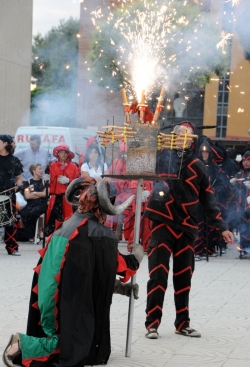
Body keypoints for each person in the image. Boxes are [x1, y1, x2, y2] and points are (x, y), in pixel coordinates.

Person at [2, 177, 144, 367]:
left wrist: (120, 288)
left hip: (50, 298)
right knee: (67, 349)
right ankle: (22, 343)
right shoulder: (99, 234)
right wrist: (137, 254)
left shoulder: (66, 226)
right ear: (103, 207)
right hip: (61, 303)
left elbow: (87, 275)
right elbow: (122, 265)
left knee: (72, 342)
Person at [143, 121, 234, 339]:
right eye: (179, 134)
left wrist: (221, 226)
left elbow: (208, 199)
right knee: (158, 275)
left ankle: (182, 323)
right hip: (162, 224)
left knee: (184, 278)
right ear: (171, 137)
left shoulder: (198, 166)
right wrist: (146, 132)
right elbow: (141, 157)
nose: (183, 137)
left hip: (186, 227)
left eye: (188, 134)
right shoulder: (161, 159)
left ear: (193, 139)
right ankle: (152, 324)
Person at [45, 144, 79, 236]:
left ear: (68, 154)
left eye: (65, 153)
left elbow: (78, 182)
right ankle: (52, 237)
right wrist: (46, 179)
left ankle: (69, 236)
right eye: (61, 152)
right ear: (58, 154)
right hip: (55, 197)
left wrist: (69, 180)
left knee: (69, 219)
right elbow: (48, 181)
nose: (63, 155)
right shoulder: (52, 166)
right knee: (53, 218)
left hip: (69, 197)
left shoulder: (74, 166)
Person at [0, 134, 23, 256]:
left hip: (9, 195)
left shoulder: (15, 160)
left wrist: (18, 185)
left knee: (10, 221)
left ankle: (12, 247)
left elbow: (19, 178)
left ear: (5, 144)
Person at [19, 164, 49, 243]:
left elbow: (46, 194)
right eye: (39, 169)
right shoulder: (28, 183)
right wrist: (40, 194)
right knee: (24, 213)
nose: (42, 171)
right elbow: (28, 196)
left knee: (33, 212)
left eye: (42, 169)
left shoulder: (44, 181)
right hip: (30, 204)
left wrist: (34, 193)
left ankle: (37, 232)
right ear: (34, 171)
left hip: (42, 204)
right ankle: (31, 235)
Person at [230, 151, 250, 258]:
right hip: (241, 205)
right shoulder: (239, 174)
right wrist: (233, 184)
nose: (246, 163)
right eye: (244, 160)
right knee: (243, 227)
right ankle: (244, 249)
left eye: (248, 160)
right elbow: (233, 191)